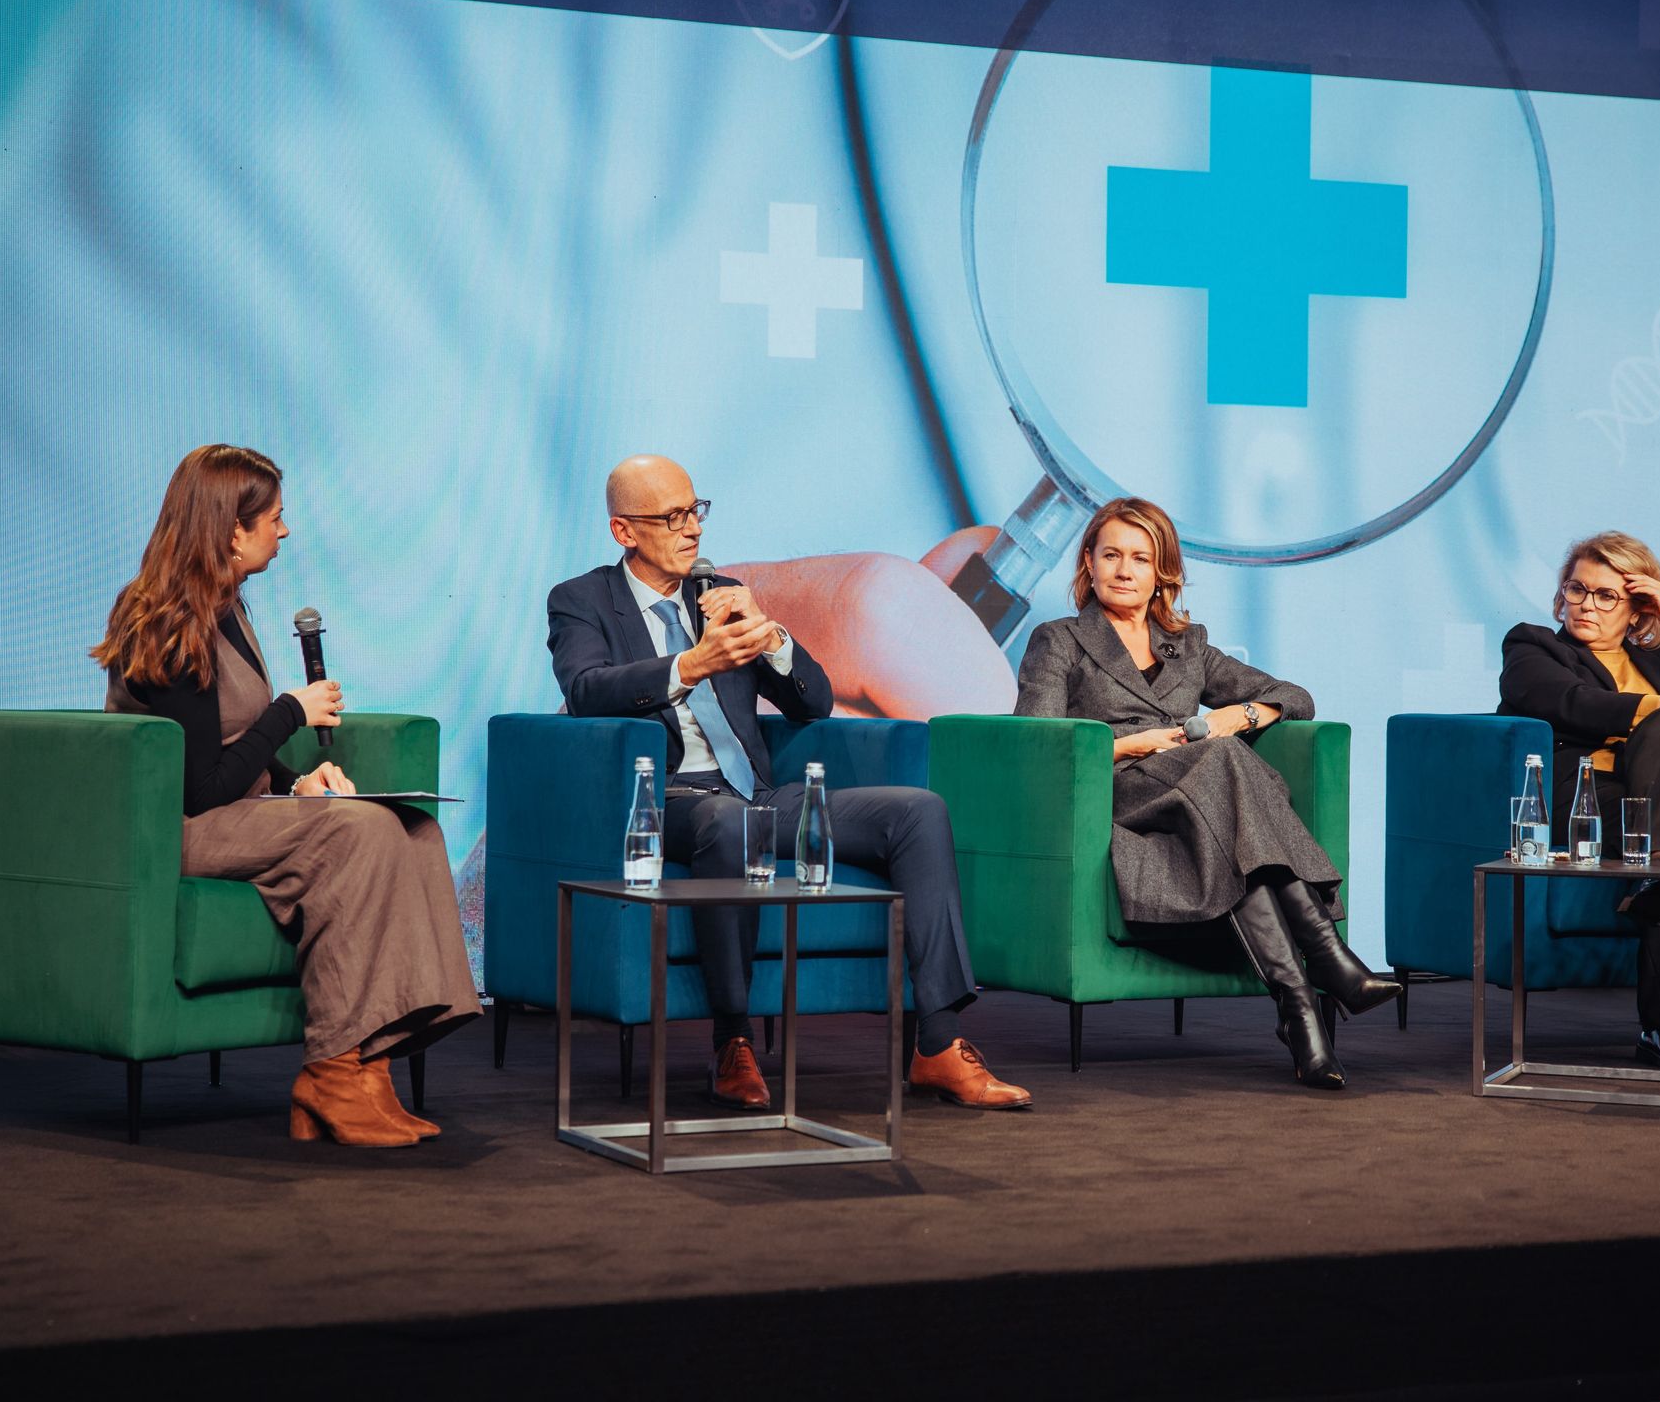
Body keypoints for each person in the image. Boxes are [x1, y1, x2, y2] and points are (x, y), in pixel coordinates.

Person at [546, 455, 1032, 1111]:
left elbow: (813, 704)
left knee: (917, 812)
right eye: (673, 517)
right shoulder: (581, 601)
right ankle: (733, 1042)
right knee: (724, 820)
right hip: (667, 802)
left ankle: (939, 1044)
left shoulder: (721, 593)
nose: (692, 528)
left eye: (696, 510)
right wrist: (689, 665)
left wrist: (772, 636)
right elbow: (584, 690)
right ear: (624, 531)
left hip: (756, 795)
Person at [93, 445, 481, 1146]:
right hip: (173, 826)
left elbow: (227, 742)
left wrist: (296, 780)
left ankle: (373, 1063)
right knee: (357, 832)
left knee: (410, 826)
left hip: (232, 812)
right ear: (231, 530)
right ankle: (331, 1068)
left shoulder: (227, 605)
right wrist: (291, 713)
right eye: (273, 517)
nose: (285, 530)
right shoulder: (166, 617)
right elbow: (199, 787)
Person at [1013, 498, 1398, 1090]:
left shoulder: (1188, 645)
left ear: (1162, 572)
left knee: (1224, 770)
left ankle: (1298, 1012)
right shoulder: (1058, 639)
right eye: (1111, 555)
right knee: (1224, 763)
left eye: (1140, 559)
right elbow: (1038, 742)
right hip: (1114, 794)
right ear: (1088, 562)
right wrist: (1131, 744)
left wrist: (1240, 715)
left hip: (1197, 801)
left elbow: (1295, 696)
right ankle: (1328, 957)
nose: (1124, 570)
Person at [1498, 530, 1660, 1067]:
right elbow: (1569, 701)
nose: (1586, 605)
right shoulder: (1534, 647)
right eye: (1577, 589)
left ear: (1637, 609)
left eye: (1606, 595)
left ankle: (1658, 872)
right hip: (1590, 802)